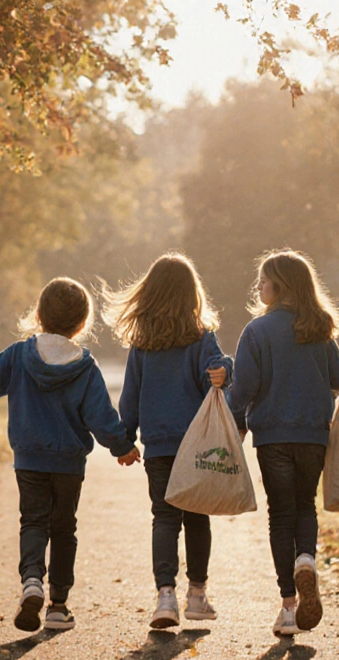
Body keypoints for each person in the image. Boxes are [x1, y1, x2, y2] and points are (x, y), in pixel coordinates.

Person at [0, 277, 140, 633]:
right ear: (83, 323)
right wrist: (123, 446)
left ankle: (31, 582)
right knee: (64, 527)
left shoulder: (19, 355)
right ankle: (58, 605)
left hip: (29, 459)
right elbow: (101, 416)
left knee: (33, 521)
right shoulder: (85, 367)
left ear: (38, 315)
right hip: (68, 464)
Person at [103, 253, 233, 629]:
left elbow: (131, 397)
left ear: (150, 294)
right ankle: (196, 595)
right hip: (197, 448)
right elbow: (218, 376)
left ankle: (165, 597)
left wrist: (124, 441)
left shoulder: (143, 345)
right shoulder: (201, 339)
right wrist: (227, 369)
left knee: (163, 517)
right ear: (192, 294)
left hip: (159, 446)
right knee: (197, 518)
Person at [228, 249, 339, 636]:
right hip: (313, 435)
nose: (259, 286)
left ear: (279, 286)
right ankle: (307, 562)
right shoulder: (319, 328)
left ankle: (287, 607)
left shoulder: (257, 331)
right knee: (305, 508)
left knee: (280, 516)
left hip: (274, 437)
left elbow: (243, 387)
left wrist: (235, 421)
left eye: (263, 280)